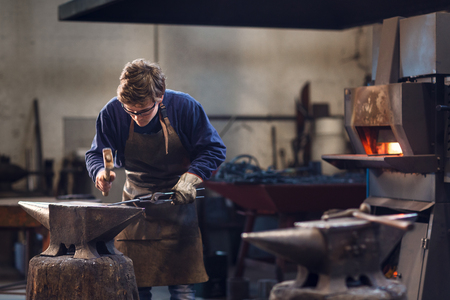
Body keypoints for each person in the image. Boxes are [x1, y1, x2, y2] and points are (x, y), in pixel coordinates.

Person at [85, 59, 227, 300]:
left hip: (178, 204)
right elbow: (97, 153)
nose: (137, 117)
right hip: (135, 208)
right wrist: (100, 172)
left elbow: (213, 149)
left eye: (144, 110)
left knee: (183, 290)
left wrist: (191, 178)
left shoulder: (185, 107)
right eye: (130, 111)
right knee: (134, 286)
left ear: (160, 97)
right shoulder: (113, 111)